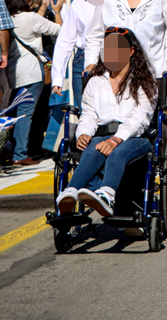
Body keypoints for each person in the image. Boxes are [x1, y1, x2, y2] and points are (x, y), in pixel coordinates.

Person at [56, 27, 158, 218]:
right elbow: (89, 114)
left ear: (131, 51)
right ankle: (70, 192)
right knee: (93, 146)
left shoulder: (145, 82)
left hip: (135, 137)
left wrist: (116, 139)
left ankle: (107, 194)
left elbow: (140, 118)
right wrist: (84, 133)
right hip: (101, 134)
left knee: (116, 151)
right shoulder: (95, 81)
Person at [4, 0, 61, 165]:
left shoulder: (6, 17)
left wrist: (43, 8)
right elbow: (59, 30)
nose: (31, 0)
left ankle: (11, 150)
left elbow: (33, 23)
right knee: (26, 113)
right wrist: (57, 12)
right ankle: (20, 154)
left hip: (14, 72)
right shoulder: (30, 18)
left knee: (15, 112)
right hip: (32, 72)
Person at [52, 0, 116, 110]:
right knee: (86, 112)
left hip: (115, 60)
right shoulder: (79, 5)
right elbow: (65, 41)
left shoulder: (120, 1)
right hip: (83, 62)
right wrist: (57, 77)